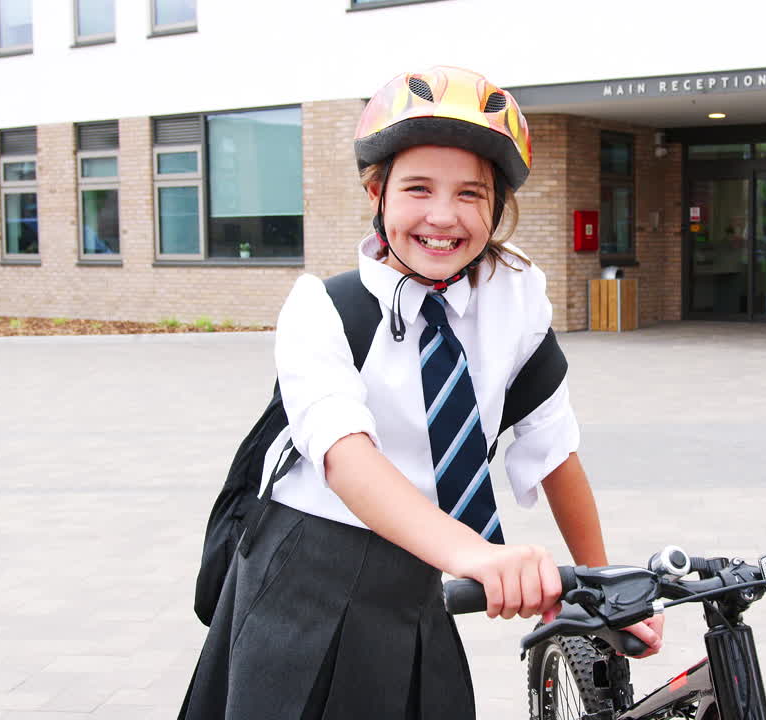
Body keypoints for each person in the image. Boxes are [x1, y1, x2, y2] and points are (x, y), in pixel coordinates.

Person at [179, 66, 663, 720]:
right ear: (377, 193)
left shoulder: (514, 300)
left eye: (470, 193)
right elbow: (347, 459)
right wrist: (478, 557)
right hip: (305, 575)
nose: (443, 216)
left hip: (419, 575)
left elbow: (553, 449)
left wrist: (609, 589)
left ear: (497, 206)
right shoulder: (320, 309)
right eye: (417, 189)